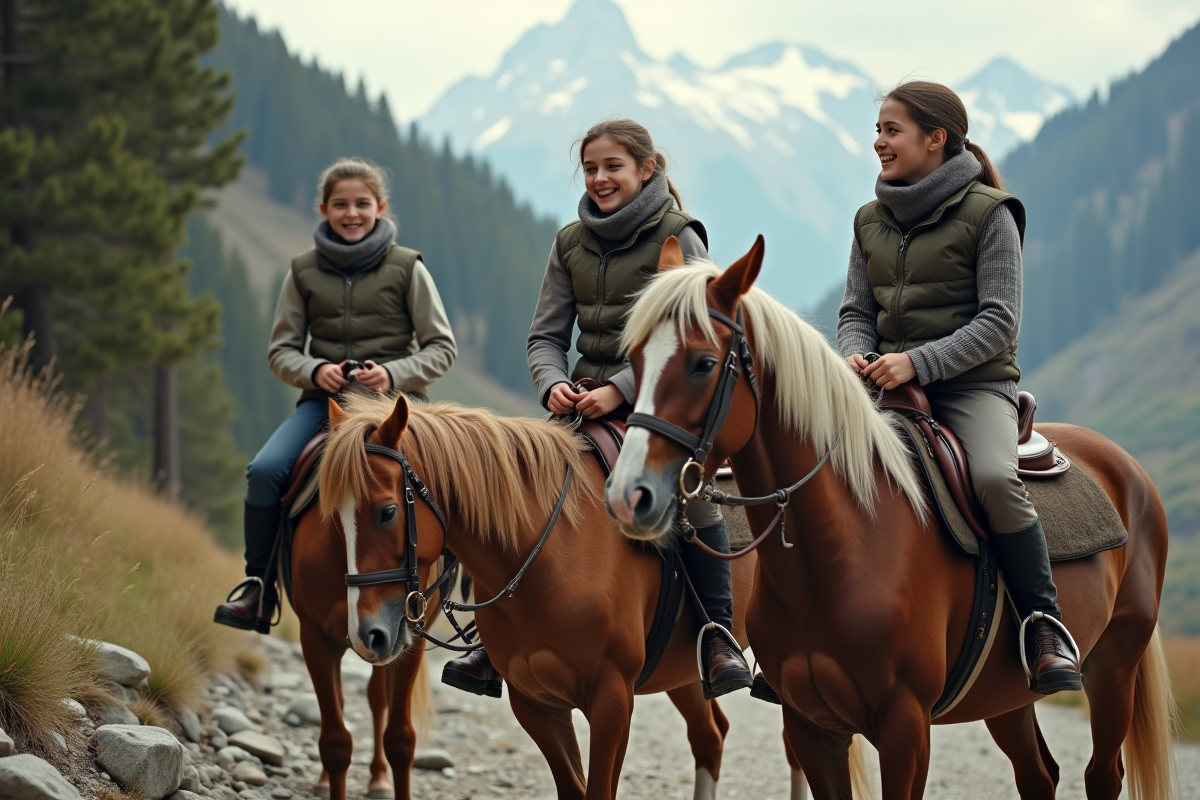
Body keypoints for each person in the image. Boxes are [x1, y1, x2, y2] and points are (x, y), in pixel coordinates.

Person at [440, 118, 754, 700]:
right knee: (506, 493)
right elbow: (545, 336)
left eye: (613, 166)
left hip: (656, 399)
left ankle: (716, 634)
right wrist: (552, 384)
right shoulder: (570, 242)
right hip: (577, 403)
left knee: (693, 499)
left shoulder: (680, 235)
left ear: (647, 169)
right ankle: (491, 637)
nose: (601, 178)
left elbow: (692, 335)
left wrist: (622, 390)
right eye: (591, 168)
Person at [837, 81, 1082, 694]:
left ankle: (1045, 624)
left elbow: (999, 322)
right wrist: (854, 355)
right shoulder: (870, 219)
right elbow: (854, 312)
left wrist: (916, 363)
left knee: (997, 481)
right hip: (884, 382)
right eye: (879, 130)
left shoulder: (992, 213)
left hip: (973, 388)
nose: (879, 142)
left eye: (892, 130)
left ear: (935, 138)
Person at [214, 158, 457, 633]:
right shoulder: (302, 272)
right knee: (264, 471)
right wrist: (314, 370)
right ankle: (258, 587)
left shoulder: (408, 268)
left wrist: (391, 373)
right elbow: (280, 350)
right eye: (341, 204)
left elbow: (441, 348)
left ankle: (463, 596)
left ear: (380, 207)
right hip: (323, 408)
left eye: (362, 204)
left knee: (455, 482)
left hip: (398, 410)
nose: (352, 213)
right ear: (323, 209)